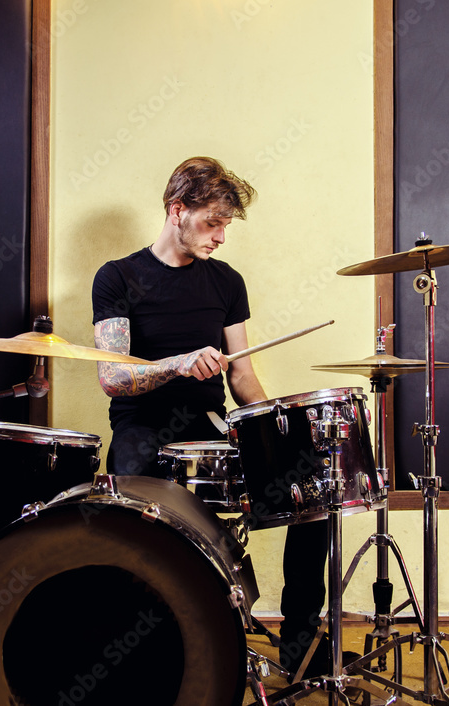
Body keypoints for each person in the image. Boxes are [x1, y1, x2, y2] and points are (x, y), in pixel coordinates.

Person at [90, 156, 339, 679]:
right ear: (176, 210)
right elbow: (112, 379)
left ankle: (299, 647)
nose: (221, 236)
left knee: (314, 492)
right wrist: (176, 365)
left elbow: (243, 378)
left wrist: (278, 429)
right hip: (141, 429)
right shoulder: (117, 277)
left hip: (209, 427)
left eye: (226, 225)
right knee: (127, 505)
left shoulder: (227, 282)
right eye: (213, 222)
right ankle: (137, 646)